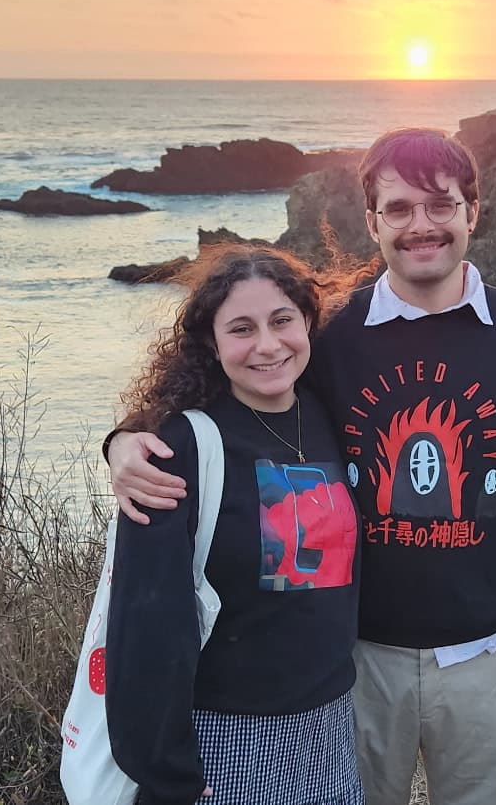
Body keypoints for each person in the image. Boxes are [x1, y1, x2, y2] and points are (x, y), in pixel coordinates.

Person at [109, 128, 496, 805]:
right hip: (356, 665)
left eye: (441, 204)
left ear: (472, 212)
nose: (421, 225)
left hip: (490, 657)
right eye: (398, 209)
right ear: (372, 222)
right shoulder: (333, 338)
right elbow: (237, 398)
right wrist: (126, 439)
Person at [103, 245, 364, 805]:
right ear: (211, 342)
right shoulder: (180, 448)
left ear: (308, 322)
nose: (267, 345)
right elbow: (145, 618)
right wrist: (167, 768)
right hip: (226, 739)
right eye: (242, 329)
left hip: (332, 723)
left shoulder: (326, 415)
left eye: (282, 320)